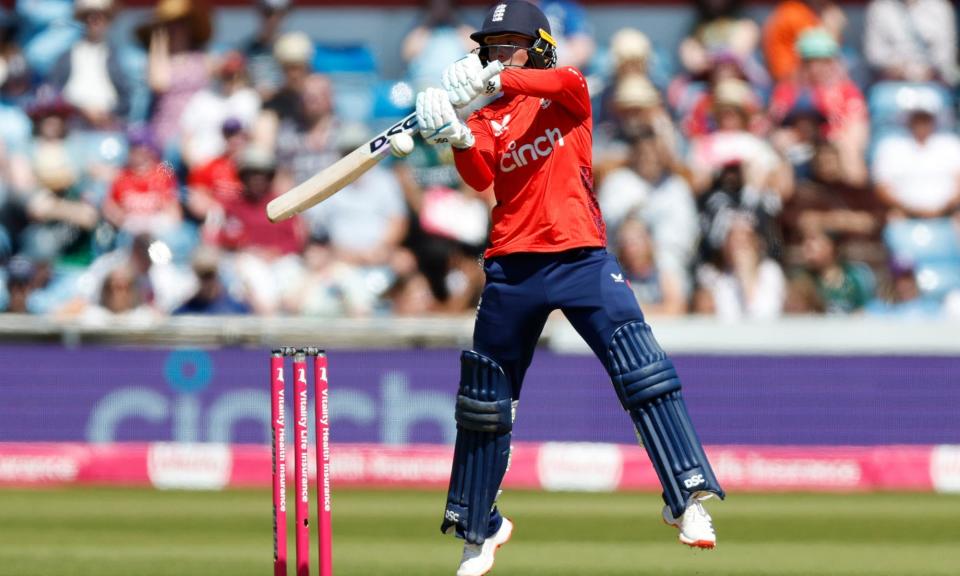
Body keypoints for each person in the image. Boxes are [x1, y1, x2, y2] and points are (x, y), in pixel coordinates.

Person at [412, 2, 724, 574]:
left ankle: (687, 497)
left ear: (539, 46)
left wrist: (496, 76)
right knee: (485, 401)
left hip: (581, 256)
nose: (499, 51)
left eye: (512, 43)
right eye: (492, 44)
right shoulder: (489, 118)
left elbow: (561, 80)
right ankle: (480, 528)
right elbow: (481, 176)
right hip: (512, 265)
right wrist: (454, 134)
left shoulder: (567, 90)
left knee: (644, 371)